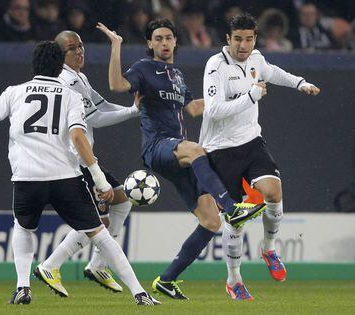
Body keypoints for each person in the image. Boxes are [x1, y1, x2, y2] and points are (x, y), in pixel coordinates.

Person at [0, 41, 160, 306]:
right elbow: (77, 136)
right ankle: (139, 293)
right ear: (60, 65)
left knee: (24, 229)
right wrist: (98, 177)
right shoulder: (70, 96)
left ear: (34, 64)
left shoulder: (14, 92)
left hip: (27, 177)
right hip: (64, 177)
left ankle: (23, 287)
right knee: (99, 233)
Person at [97, 18, 267, 300]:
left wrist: (238, 96)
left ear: (176, 41)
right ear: (150, 43)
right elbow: (116, 84)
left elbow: (195, 108)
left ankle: (167, 279)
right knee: (197, 150)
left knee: (211, 221)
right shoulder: (143, 67)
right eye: (158, 38)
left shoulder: (176, 74)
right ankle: (232, 206)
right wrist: (116, 46)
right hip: (158, 146)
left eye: (169, 38)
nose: (164, 43)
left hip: (179, 153)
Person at [200, 13, 320, 300]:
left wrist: (300, 82)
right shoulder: (215, 66)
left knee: (273, 192)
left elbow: (274, 72)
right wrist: (251, 97)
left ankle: (269, 249)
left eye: (249, 39)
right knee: (235, 219)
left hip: (251, 141)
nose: (243, 45)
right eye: (238, 39)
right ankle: (234, 279)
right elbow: (213, 110)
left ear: (255, 39)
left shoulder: (256, 59)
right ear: (227, 39)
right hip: (220, 148)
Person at [33, 30, 140, 295]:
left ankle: (97, 264)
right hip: (76, 160)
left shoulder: (79, 76)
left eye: (81, 45)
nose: (80, 51)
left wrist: (131, 109)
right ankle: (50, 265)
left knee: (123, 199)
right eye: (72, 48)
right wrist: (133, 111)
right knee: (96, 223)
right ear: (60, 55)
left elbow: (101, 104)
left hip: (84, 156)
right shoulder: (65, 81)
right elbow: (94, 118)